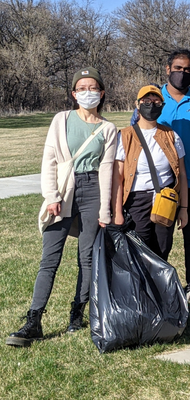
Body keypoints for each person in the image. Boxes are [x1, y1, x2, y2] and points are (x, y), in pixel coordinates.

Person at [6, 67, 118, 346]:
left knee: (87, 258)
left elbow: (107, 170)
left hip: (93, 190)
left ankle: (77, 314)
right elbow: (50, 160)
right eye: (82, 88)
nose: (87, 93)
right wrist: (52, 196)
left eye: (92, 88)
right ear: (73, 94)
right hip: (64, 190)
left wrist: (105, 210)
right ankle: (34, 320)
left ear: (102, 92)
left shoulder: (108, 128)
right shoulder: (61, 119)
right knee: (49, 259)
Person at [131, 49, 190, 305]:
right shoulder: (153, 98)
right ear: (168, 69)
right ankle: (153, 291)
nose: (182, 73)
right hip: (159, 187)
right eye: (178, 68)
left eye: (187, 69)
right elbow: (134, 139)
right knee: (157, 242)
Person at [111, 85, 188, 260]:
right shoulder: (125, 136)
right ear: (137, 104)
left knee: (162, 250)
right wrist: (117, 212)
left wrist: (184, 208)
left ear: (162, 105)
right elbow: (118, 178)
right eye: (146, 101)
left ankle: (159, 280)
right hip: (137, 201)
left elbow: (182, 174)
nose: (151, 105)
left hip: (165, 199)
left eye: (156, 101)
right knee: (139, 252)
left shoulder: (171, 136)